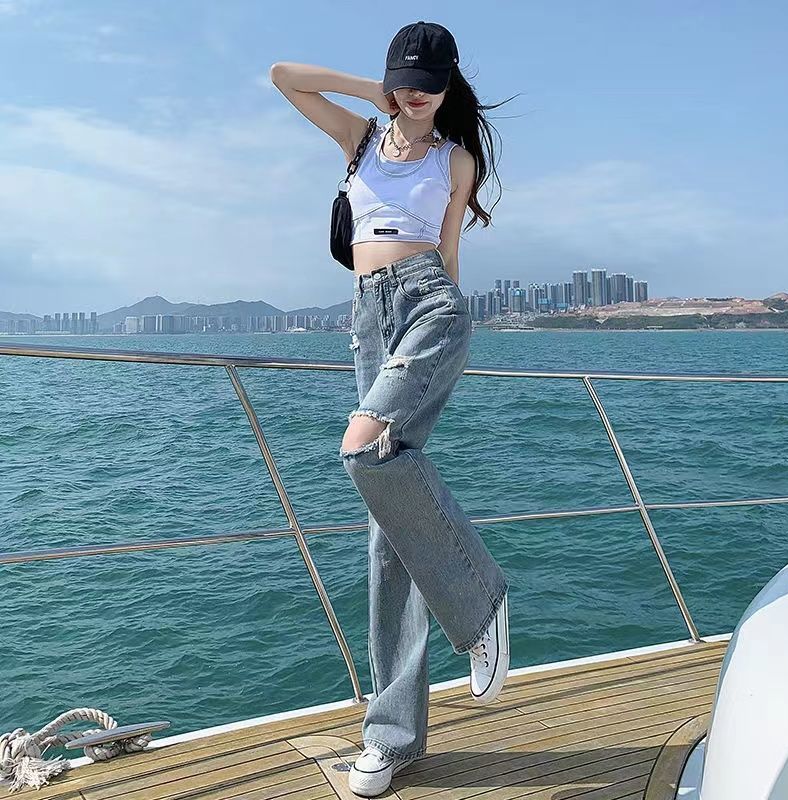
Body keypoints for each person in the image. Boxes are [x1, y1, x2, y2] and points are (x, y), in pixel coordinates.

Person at [271, 20, 515, 797]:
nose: (415, 95)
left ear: (447, 88)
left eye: (428, 84)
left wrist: (442, 346)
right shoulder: (362, 139)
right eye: (404, 82)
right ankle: (393, 738)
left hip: (429, 308)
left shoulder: (456, 159)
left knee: (360, 448)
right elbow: (284, 76)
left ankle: (479, 600)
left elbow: (449, 258)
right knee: (387, 529)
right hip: (368, 319)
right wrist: (369, 91)